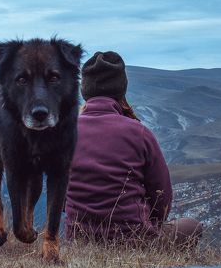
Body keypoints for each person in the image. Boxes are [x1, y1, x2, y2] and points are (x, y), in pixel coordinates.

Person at [64, 50, 204, 243]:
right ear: (121, 89)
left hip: (78, 239)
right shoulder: (139, 132)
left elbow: (62, 196)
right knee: (192, 226)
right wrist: (151, 225)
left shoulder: (65, 134)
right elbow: (162, 195)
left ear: (85, 90)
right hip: (133, 240)